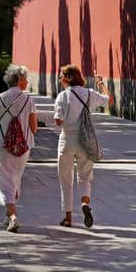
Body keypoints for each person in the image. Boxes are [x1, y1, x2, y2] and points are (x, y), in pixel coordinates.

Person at [53, 65, 113, 227]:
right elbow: (109, 101)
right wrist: (100, 84)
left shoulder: (62, 97)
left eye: (61, 76)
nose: (59, 79)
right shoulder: (89, 94)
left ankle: (68, 218)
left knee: (65, 178)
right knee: (85, 177)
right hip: (85, 142)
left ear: (68, 77)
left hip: (66, 142)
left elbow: (58, 121)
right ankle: (85, 204)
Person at [0, 64, 37, 232]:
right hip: (23, 146)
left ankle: (13, 215)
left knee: (4, 178)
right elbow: (34, 128)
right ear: (20, 81)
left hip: (1, 145)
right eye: (26, 79)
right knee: (16, 178)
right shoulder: (29, 100)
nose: (27, 82)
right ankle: (9, 215)